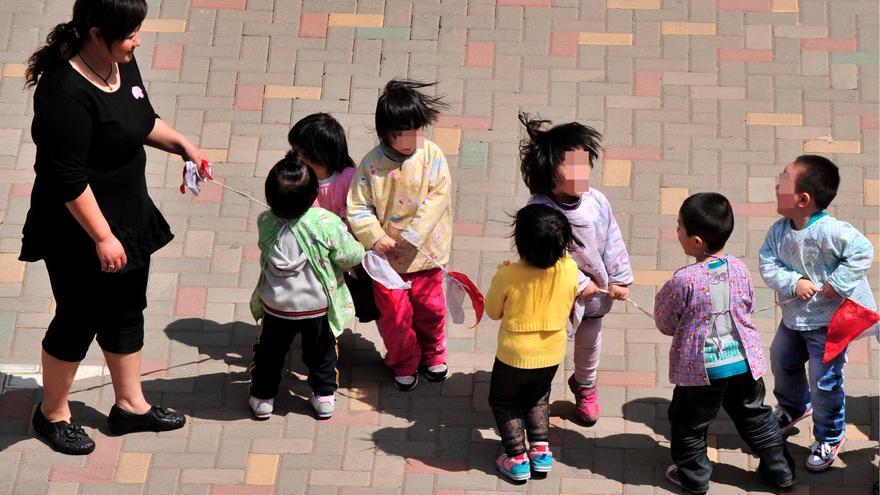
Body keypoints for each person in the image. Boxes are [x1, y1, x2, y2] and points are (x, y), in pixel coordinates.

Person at [19, 0, 206, 454]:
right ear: (96, 33)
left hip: (128, 215)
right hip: (78, 229)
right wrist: (102, 236)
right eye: (129, 34)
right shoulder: (63, 92)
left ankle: (130, 406)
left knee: (126, 309)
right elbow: (67, 179)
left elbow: (139, 120)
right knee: (78, 318)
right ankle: (52, 414)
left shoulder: (119, 61)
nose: (137, 41)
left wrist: (183, 144)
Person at [654, 193, 796, 494]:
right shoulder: (740, 268)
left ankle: (694, 477)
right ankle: (782, 471)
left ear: (695, 241)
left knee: (689, 423)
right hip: (744, 362)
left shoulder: (684, 280)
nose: (675, 230)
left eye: (678, 226)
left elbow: (665, 322)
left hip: (701, 372)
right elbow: (747, 303)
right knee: (755, 416)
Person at [759, 155, 876, 472]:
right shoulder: (778, 231)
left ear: (802, 199)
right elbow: (768, 264)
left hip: (829, 326)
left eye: (782, 182)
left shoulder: (834, 232)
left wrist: (837, 284)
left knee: (824, 382)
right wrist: (792, 281)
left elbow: (863, 252)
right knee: (782, 359)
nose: (775, 186)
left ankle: (830, 435)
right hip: (793, 319)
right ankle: (793, 407)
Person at [520, 113, 633, 424]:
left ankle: (584, 384)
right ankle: (537, 389)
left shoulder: (597, 201)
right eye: (572, 167)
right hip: (554, 299)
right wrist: (577, 281)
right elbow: (548, 258)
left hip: (595, 298)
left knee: (589, 344)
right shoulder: (540, 212)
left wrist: (620, 277)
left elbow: (613, 238)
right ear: (548, 173)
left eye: (586, 163)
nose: (583, 172)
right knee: (545, 345)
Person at [346, 79, 452, 391]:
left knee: (431, 308)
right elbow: (358, 207)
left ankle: (433, 351)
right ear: (385, 134)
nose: (414, 139)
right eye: (404, 134)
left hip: (426, 256)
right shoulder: (371, 165)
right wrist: (374, 237)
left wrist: (415, 233)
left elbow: (438, 197)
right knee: (394, 316)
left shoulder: (432, 155)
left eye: (419, 131)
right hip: (386, 263)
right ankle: (404, 359)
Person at [248, 152, 365, 420]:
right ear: (314, 195)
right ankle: (324, 397)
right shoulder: (325, 222)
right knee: (322, 351)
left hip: (276, 306)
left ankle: (263, 397)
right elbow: (350, 255)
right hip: (317, 305)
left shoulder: (265, 222)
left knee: (269, 352)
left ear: (270, 199)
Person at [485, 204, 582, 481]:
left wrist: (501, 275)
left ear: (520, 242)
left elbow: (493, 311)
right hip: (551, 352)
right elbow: (579, 290)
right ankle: (540, 453)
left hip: (514, 355)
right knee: (538, 397)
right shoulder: (569, 269)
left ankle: (516, 458)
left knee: (504, 401)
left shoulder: (509, 275)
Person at [288, 112, 378, 323]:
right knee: (322, 302)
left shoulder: (349, 178)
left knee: (372, 303)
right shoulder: (301, 179)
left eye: (298, 151)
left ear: (318, 154)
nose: (294, 156)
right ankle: (328, 338)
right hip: (317, 256)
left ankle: (398, 346)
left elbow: (362, 211)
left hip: (352, 255)